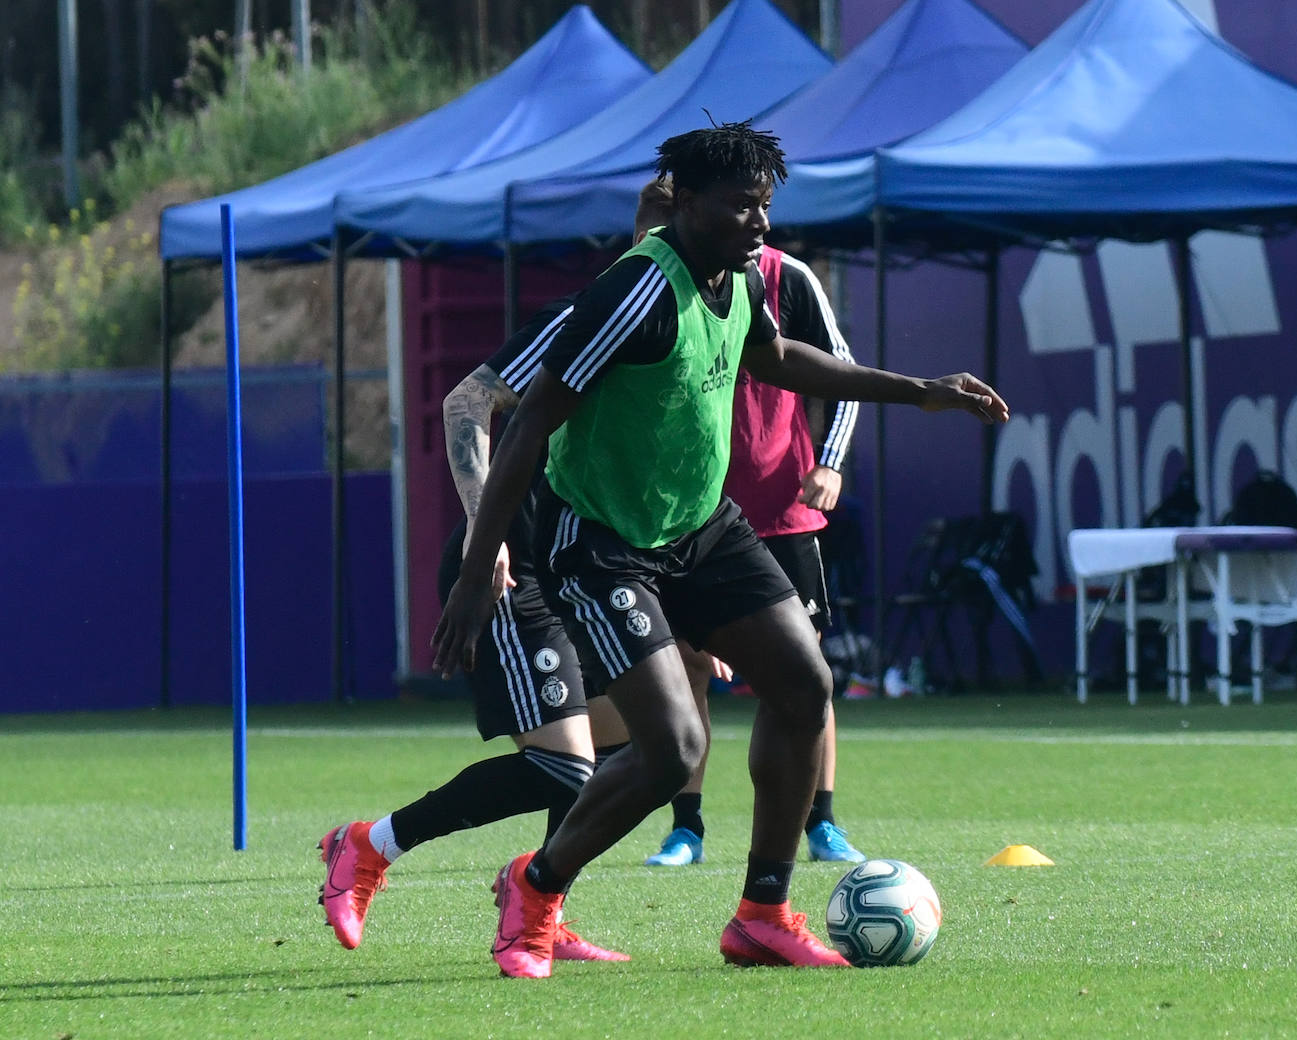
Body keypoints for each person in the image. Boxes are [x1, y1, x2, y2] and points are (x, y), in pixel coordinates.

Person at [433, 120, 1008, 978]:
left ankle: (763, 914)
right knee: (673, 751)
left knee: (805, 684)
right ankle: (537, 888)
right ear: (690, 202)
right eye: (743, 205)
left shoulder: (736, 278)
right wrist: (478, 574)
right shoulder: (634, 292)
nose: (761, 223)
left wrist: (920, 391)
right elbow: (522, 432)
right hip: (602, 543)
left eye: (767, 205)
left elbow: (778, 359)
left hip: (700, 525)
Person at [316, 289, 638, 962]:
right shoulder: (598, 313)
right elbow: (466, 401)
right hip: (512, 573)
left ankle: (544, 906)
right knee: (565, 768)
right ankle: (371, 845)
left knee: (634, 748)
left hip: (590, 573)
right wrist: (486, 533)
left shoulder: (703, 326)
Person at [634, 177, 866, 868]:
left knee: (803, 672)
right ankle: (687, 828)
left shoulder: (783, 278)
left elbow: (841, 370)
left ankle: (819, 823)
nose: (753, 223)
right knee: (689, 669)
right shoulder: (648, 284)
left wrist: (830, 461)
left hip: (778, 515)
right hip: (685, 519)